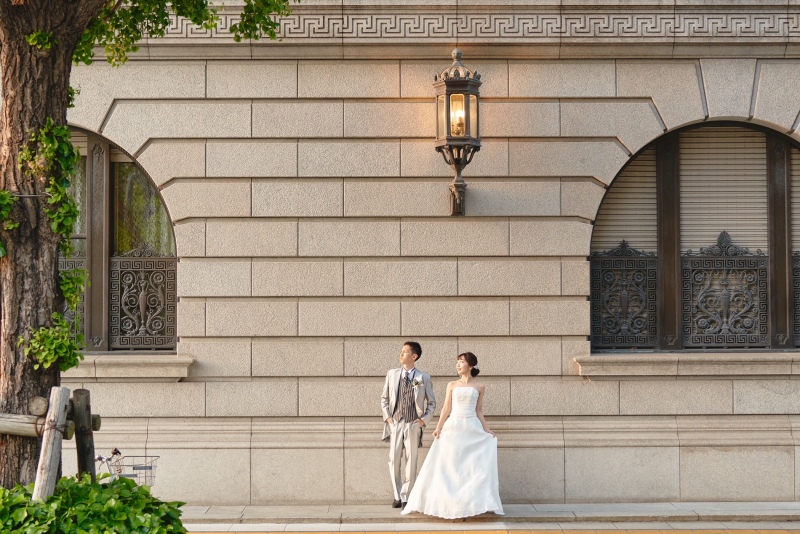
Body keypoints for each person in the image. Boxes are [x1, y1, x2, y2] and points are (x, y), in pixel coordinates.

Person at [401, 352, 503, 519]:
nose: (458, 365)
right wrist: (438, 427)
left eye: (461, 362)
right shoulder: (452, 385)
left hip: (472, 428)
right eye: (457, 362)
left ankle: (469, 504)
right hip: (454, 427)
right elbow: (446, 408)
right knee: (450, 465)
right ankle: (449, 504)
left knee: (470, 468)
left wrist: (487, 429)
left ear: (470, 366)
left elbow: (479, 411)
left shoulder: (480, 387)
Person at [381, 341, 436, 508]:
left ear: (414, 356)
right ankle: (397, 495)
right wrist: (388, 418)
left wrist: (423, 421)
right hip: (396, 422)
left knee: (411, 461)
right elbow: (384, 398)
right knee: (393, 459)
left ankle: (406, 496)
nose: (401, 354)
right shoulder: (392, 374)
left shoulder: (422, 378)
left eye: (405, 352)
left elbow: (432, 403)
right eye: (401, 351)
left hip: (413, 424)